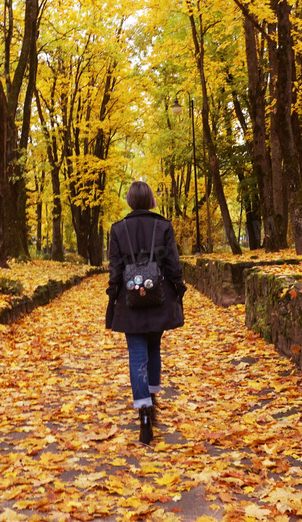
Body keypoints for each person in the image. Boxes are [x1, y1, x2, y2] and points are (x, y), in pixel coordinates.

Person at [106, 180, 187, 444]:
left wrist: (113, 293)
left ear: (129, 200)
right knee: (153, 349)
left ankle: (143, 413)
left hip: (130, 300)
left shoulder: (118, 230)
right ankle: (152, 401)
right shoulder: (163, 226)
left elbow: (115, 269)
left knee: (136, 353)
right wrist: (179, 287)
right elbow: (173, 263)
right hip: (158, 296)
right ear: (151, 199)